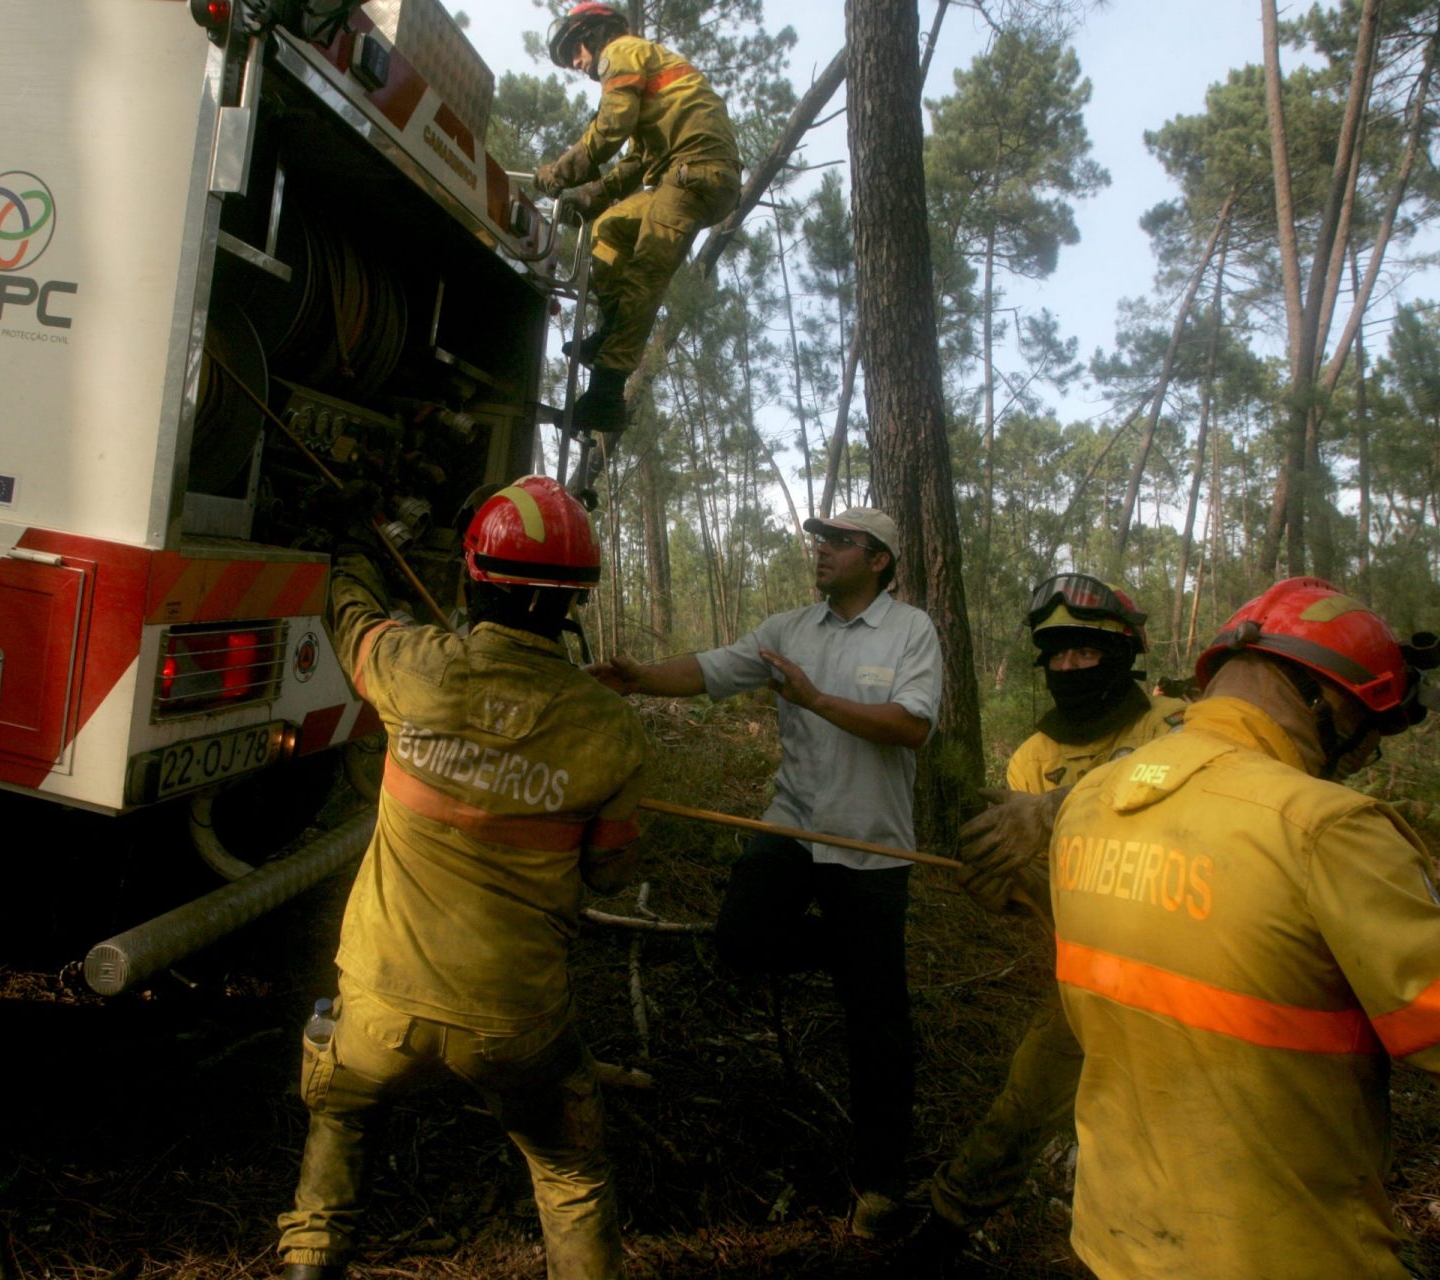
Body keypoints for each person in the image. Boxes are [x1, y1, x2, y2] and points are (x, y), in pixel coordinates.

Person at [1050, 577, 1440, 1280]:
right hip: (1283, 1248)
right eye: (1367, 729)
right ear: (1324, 696)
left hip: (1116, 1236)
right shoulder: (1323, 830)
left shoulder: (1090, 801)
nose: (1362, 757)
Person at [275, 476, 647, 1280]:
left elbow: (353, 622)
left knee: (340, 1115)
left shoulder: (415, 670)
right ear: (574, 602)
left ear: (473, 578)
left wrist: (352, 549)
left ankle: (311, 1255)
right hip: (515, 1026)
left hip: (378, 1009)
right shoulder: (608, 726)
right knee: (572, 1173)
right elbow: (611, 875)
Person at [588, 507, 941, 1237]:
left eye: (841, 542)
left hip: (873, 848)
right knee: (740, 942)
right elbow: (714, 668)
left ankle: (880, 1183)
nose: (823, 550)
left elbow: (911, 726)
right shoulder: (790, 628)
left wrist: (816, 699)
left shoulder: (912, 633)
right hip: (789, 826)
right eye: (822, 539)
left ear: (879, 560)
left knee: (878, 1026)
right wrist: (640, 677)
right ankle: (847, 956)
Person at [924, 574, 1186, 1252]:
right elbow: (1044, 885)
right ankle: (945, 1229)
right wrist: (1004, 890)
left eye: (1086, 653)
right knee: (1018, 1110)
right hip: (1087, 979)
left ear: (1124, 654)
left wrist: (1063, 811)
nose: (1070, 668)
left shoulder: (1174, 729)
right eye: (1058, 656)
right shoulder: (1032, 760)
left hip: (1186, 981)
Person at [533, 2, 742, 431]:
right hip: (683, 172)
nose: (576, 62)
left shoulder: (623, 51)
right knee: (611, 228)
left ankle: (607, 392)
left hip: (696, 171)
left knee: (646, 269)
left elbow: (611, 126)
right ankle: (613, 332)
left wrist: (560, 173)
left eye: (576, 49)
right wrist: (589, 198)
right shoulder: (647, 76)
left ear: (594, 34)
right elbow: (635, 162)